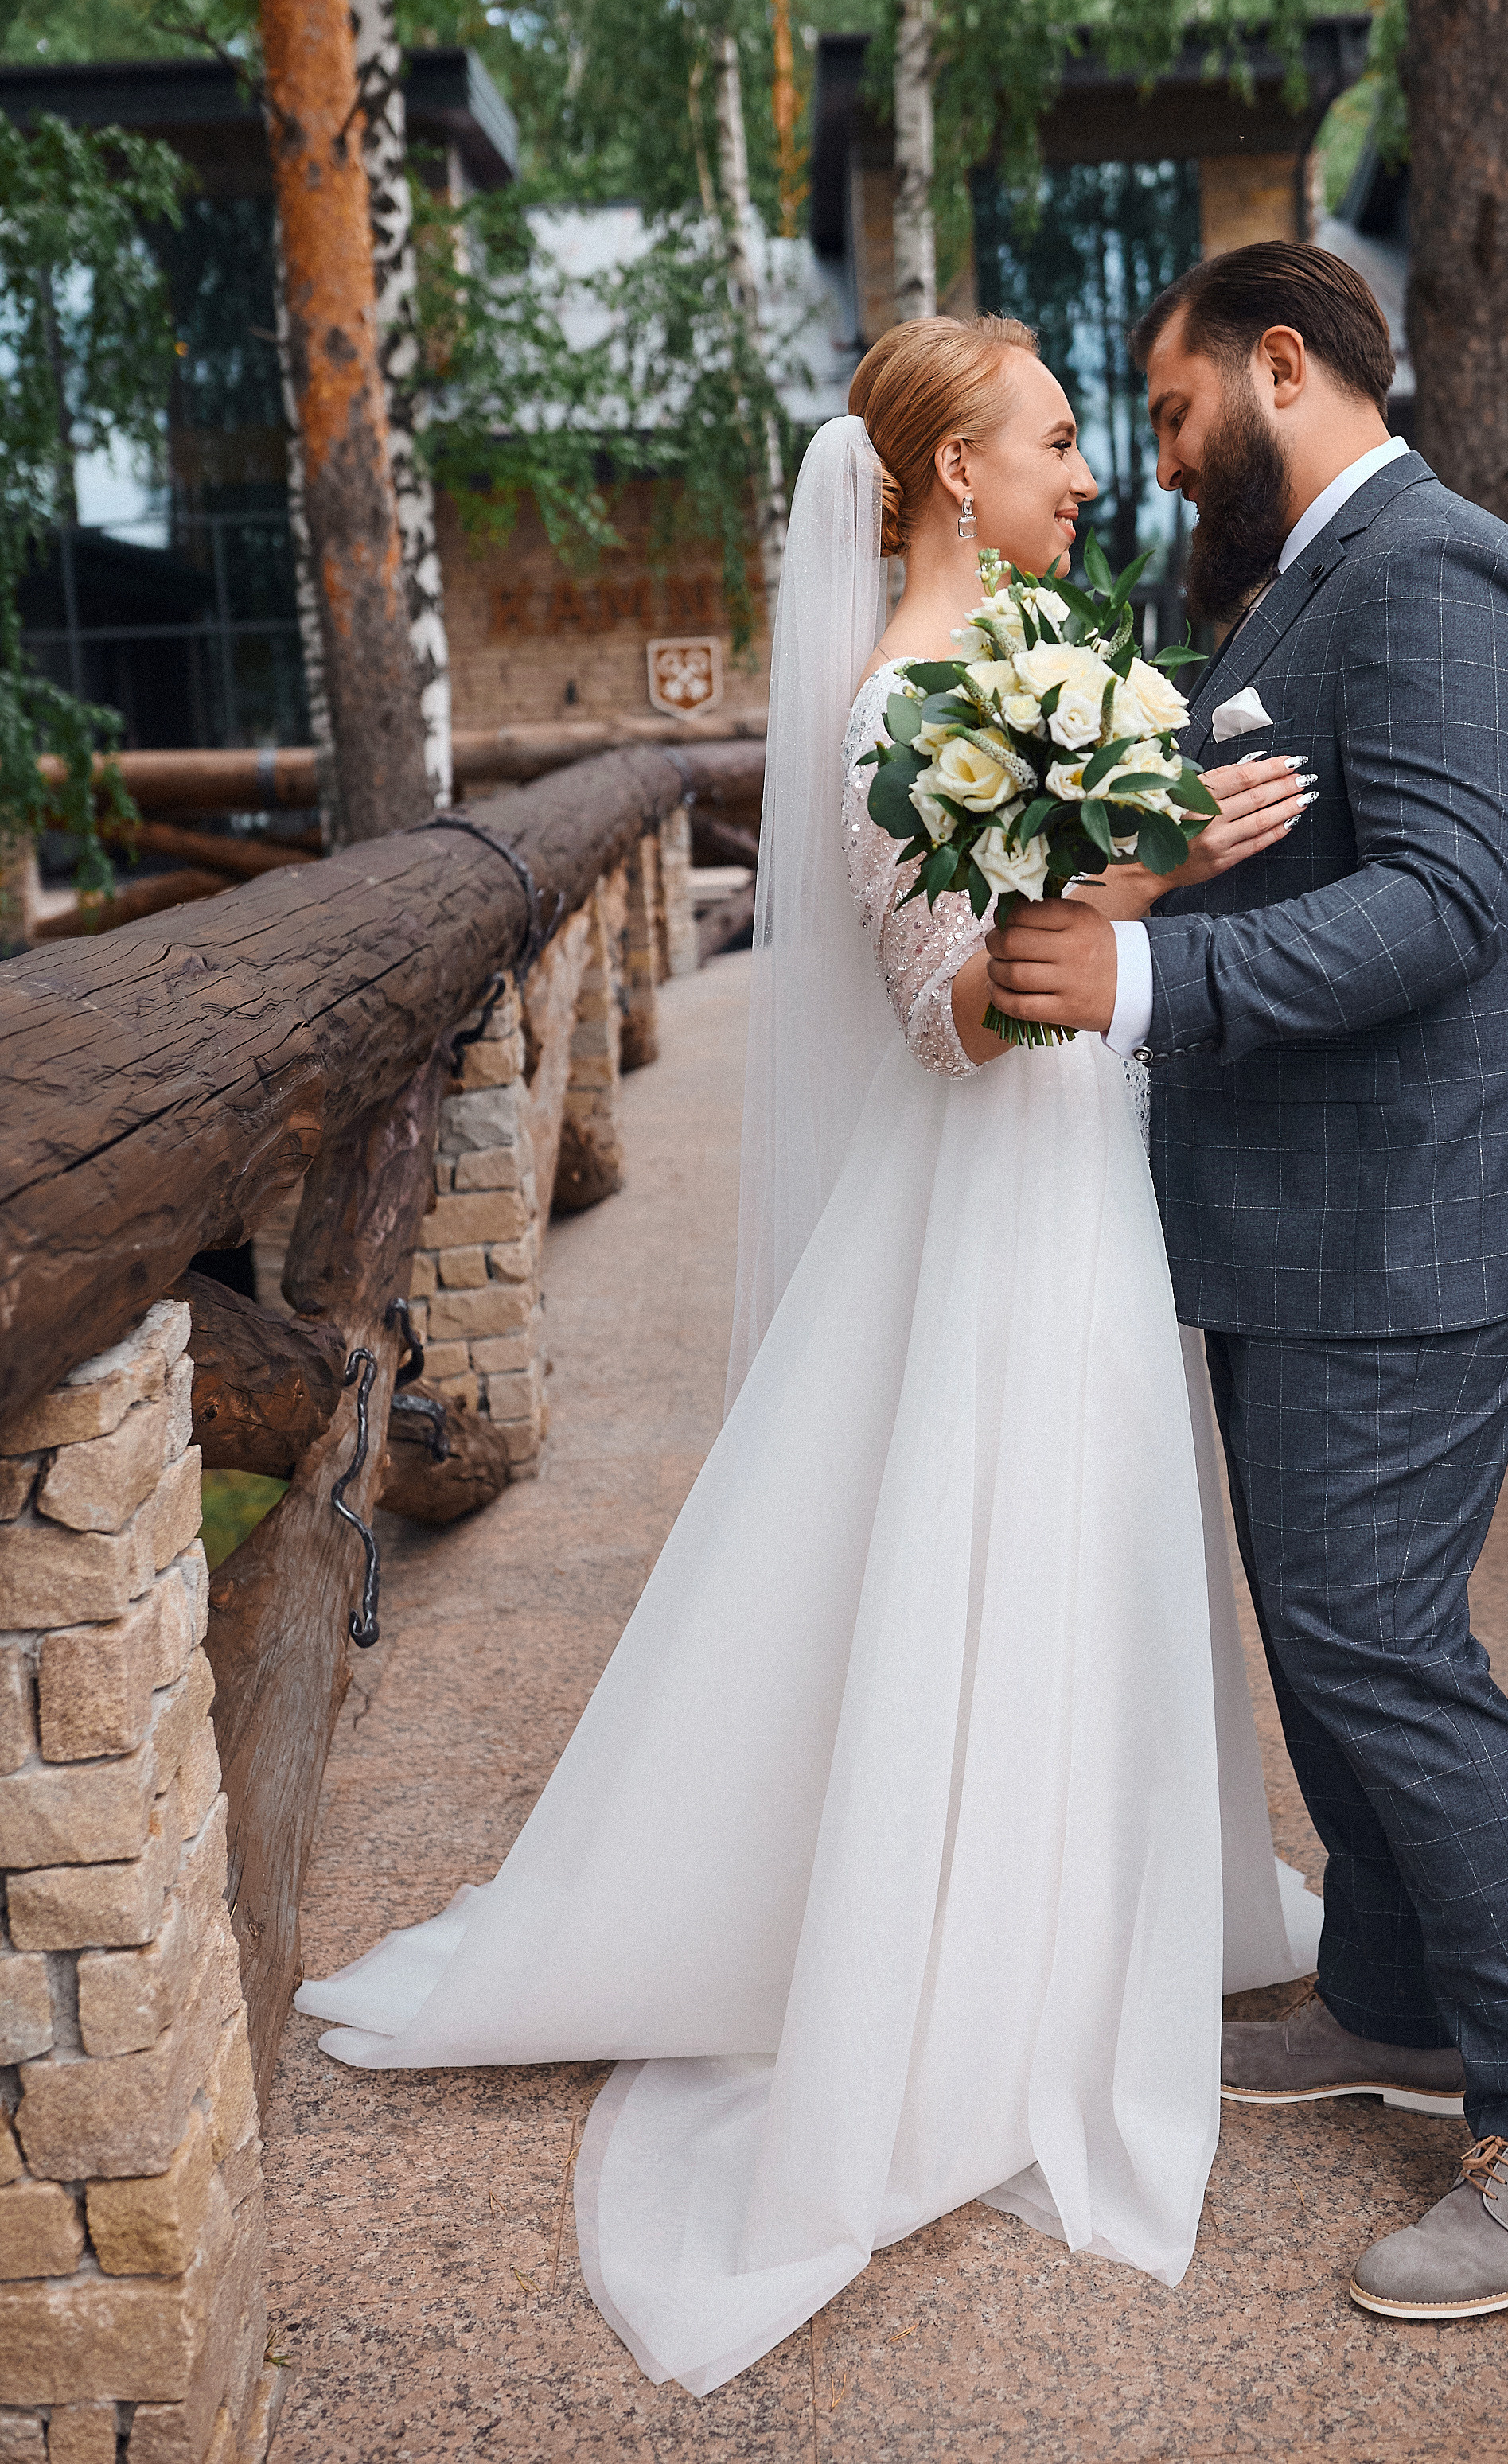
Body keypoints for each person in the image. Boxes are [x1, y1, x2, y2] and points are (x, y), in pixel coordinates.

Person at [296, 313, 1326, 2396]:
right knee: (996, 1537)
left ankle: (1105, 1896)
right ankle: (972, 1966)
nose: (1087, 476)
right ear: (955, 472)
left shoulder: (1026, 657)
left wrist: (1132, 860)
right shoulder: (897, 706)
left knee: (1101, 1526)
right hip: (996, 1186)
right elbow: (956, 1008)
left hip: (1080, 1173)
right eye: (1057, 441)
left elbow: (1045, 944)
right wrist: (1161, 865)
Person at [985, 243, 1508, 2322]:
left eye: (1175, 408)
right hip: (1308, 1216)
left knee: (1381, 1639)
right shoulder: (1300, 584)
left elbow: (1450, 902)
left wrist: (1144, 974)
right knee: (1322, 1637)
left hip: (1416, 1214)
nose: (1157, 457)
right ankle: (1393, 2000)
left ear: (1282, 364)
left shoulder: (1437, 570)